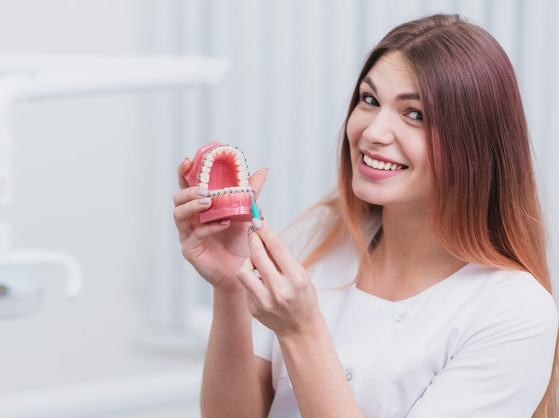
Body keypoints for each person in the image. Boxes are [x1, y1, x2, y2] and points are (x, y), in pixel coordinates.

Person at [172, 13, 558, 418]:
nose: (373, 131)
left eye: (415, 115)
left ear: (476, 145)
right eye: (369, 100)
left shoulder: (515, 312)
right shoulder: (319, 239)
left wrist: (302, 330)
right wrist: (232, 286)